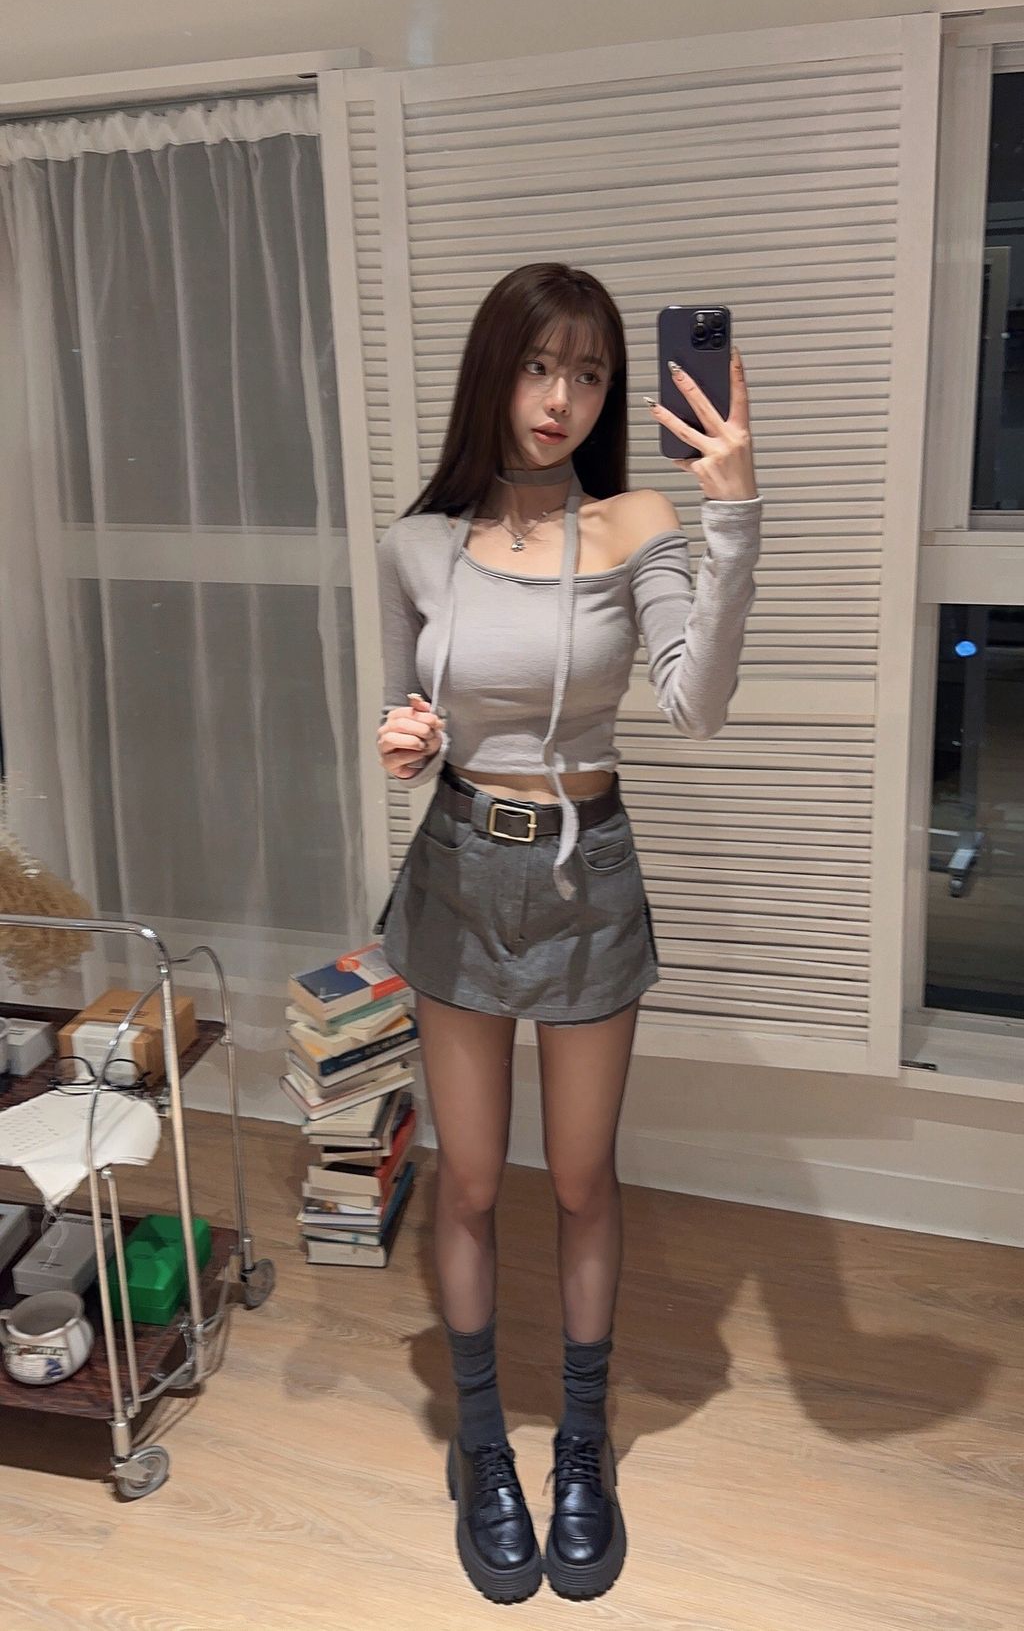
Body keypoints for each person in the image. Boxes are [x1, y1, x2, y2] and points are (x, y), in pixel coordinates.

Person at [372, 262, 762, 1603]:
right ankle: (484, 1442)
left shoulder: (634, 521)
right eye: (540, 366)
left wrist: (732, 515)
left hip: (588, 873)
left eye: (590, 373)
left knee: (584, 1181)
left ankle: (582, 1445)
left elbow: (695, 705)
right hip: (460, 872)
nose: (562, 398)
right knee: (472, 1184)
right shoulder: (419, 546)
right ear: (496, 370)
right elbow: (405, 722)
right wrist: (405, 741)